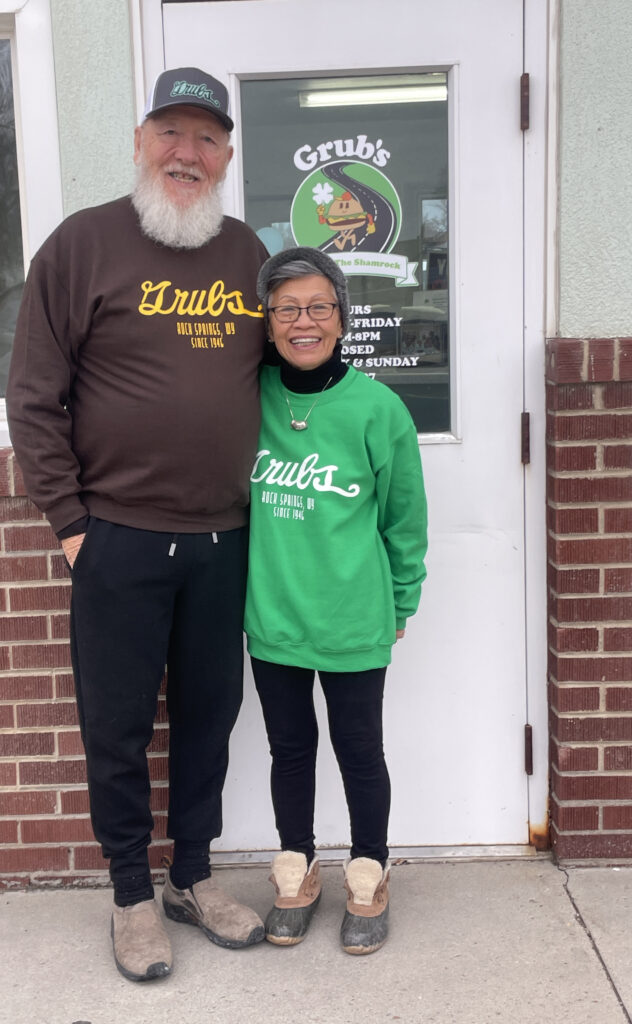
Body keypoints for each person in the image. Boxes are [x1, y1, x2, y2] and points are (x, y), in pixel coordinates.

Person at [6, 67, 268, 982]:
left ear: (226, 155)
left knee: (209, 717)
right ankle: (129, 894)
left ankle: (191, 876)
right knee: (116, 726)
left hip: (224, 540)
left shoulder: (247, 254)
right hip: (115, 536)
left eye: (206, 139)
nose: (186, 154)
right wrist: (71, 523)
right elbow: (33, 397)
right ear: (140, 142)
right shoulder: (82, 246)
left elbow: (285, 374)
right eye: (170, 134)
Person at [245, 247, 428, 955]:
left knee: (358, 749)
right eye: (287, 309)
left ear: (342, 319)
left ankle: (368, 872)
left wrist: (401, 603)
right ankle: (296, 869)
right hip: (274, 615)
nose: (304, 322)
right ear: (268, 323)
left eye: (319, 307)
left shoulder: (378, 409)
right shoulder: (248, 397)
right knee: (289, 749)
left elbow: (405, 521)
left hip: (354, 615)